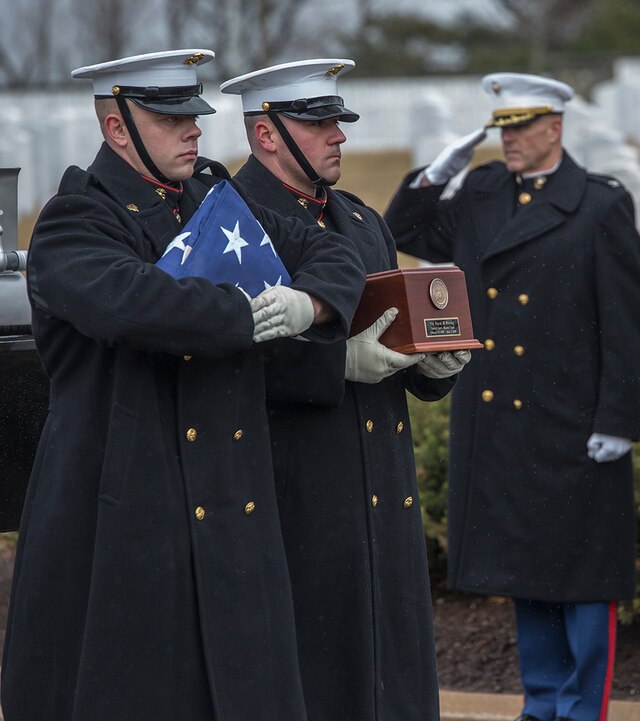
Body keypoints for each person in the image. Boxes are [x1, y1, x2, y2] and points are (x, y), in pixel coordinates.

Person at [1, 49, 364, 721]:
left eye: (193, 115)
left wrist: (310, 306)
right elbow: (137, 304)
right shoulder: (75, 219)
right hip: (126, 509)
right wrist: (255, 311)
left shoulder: (207, 198)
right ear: (118, 131)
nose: (193, 129)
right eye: (170, 120)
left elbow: (333, 252)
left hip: (227, 505)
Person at [385, 72, 640, 721]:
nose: (506, 140)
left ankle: (581, 706)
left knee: (583, 579)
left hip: (572, 416)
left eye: (519, 128)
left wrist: (618, 416)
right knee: (525, 574)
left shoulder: (598, 202)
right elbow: (405, 229)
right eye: (500, 128)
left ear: (553, 129)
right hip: (502, 415)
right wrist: (431, 175)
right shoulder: (480, 191)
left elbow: (627, 319)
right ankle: (541, 702)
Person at [220, 58, 468, 721]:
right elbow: (219, 361)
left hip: (382, 502)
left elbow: (386, 338)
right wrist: (335, 366)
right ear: (268, 134)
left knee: (392, 686)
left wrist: (429, 371)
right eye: (320, 124)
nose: (340, 137)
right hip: (296, 503)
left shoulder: (360, 221)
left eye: (339, 122)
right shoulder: (229, 223)